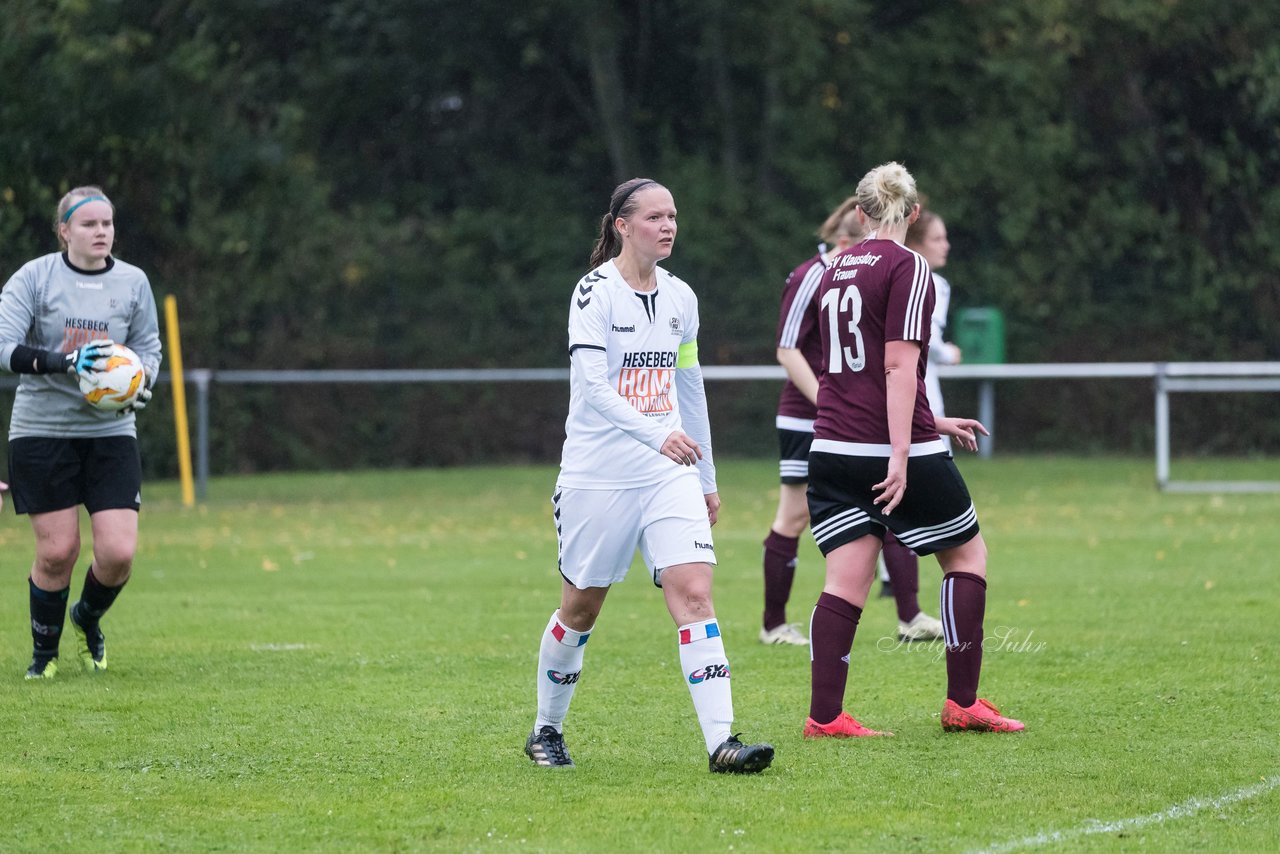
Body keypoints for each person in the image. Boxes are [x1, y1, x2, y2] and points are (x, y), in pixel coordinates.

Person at [525, 177, 773, 773]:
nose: (668, 226)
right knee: (580, 609)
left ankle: (722, 743)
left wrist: (706, 475)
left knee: (695, 594)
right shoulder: (593, 293)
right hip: (597, 477)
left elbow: (690, 389)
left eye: (673, 216)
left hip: (668, 475)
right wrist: (657, 433)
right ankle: (546, 730)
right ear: (622, 226)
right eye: (656, 217)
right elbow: (592, 388)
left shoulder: (681, 297)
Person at [802, 162, 1023, 738]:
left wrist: (935, 420)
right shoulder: (910, 266)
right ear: (914, 213)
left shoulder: (830, 268)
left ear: (858, 213)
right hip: (889, 448)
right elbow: (898, 365)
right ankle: (963, 703)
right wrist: (902, 453)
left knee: (844, 582)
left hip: (829, 443)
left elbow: (852, 370)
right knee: (967, 557)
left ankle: (824, 716)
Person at [761, 198, 943, 647]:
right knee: (794, 514)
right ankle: (773, 624)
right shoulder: (811, 275)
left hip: (858, 419)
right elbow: (787, 350)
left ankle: (910, 616)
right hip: (809, 418)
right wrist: (830, 400)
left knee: (891, 504)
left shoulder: (867, 270)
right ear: (846, 239)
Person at [0, 186, 161, 680]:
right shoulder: (35, 277)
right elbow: (5, 348)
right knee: (58, 551)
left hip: (110, 433)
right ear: (64, 230)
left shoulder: (133, 282)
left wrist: (139, 383)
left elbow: (148, 349)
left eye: (107, 224)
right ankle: (43, 658)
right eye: (89, 224)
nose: (101, 232)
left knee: (117, 554)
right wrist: (63, 362)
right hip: (41, 431)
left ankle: (86, 618)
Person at [905, 208, 962, 438]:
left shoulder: (888, 276)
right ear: (915, 243)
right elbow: (927, 342)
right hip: (923, 396)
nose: (946, 246)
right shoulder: (934, 283)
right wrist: (949, 354)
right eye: (937, 239)